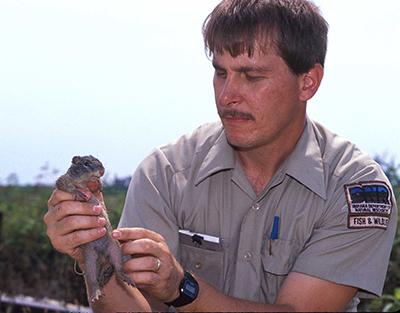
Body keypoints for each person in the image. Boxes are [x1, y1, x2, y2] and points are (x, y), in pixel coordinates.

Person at [44, 0, 397, 311]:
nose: (227, 95)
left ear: (309, 82)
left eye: (252, 76)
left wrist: (181, 288)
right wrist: (94, 250)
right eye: (220, 72)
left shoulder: (355, 188)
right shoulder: (165, 172)